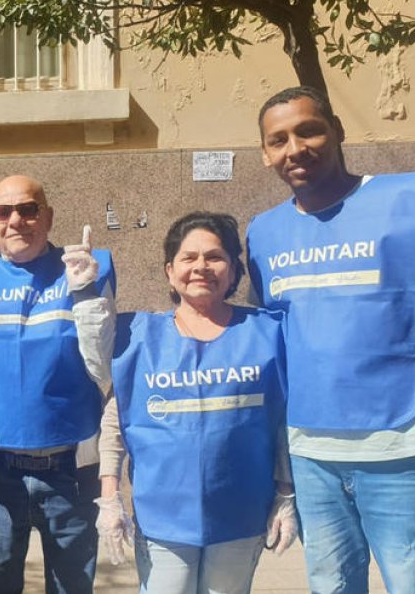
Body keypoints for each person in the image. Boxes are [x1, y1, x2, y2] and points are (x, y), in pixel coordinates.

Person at [246, 86, 415, 594]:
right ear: (265, 154)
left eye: (309, 130)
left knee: (414, 585)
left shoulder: (405, 205)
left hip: (400, 449)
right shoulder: (263, 233)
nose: (295, 148)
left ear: (337, 130)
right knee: (332, 586)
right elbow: (272, 346)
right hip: (309, 453)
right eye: (278, 140)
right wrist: (281, 475)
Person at [93, 212, 296, 594]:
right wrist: (109, 499)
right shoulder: (136, 336)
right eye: (189, 258)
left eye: (215, 257)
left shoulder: (268, 333)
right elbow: (115, 423)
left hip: (241, 513)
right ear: (170, 271)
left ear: (234, 270)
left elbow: (283, 420)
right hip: (162, 518)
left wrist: (286, 493)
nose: (201, 267)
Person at [0, 174, 116, 594]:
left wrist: (87, 296)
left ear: (48, 217)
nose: (16, 220)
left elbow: (103, 366)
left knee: (71, 587)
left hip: (69, 472)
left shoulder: (86, 266)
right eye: (4, 211)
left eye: (28, 209)